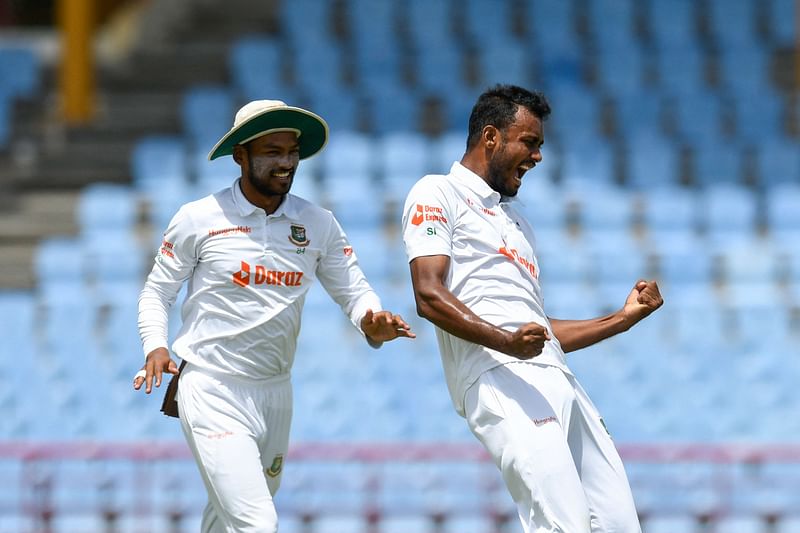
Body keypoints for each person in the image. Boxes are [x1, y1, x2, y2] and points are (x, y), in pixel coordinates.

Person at [133, 99, 415, 532]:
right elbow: (157, 291)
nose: (286, 163)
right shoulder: (198, 218)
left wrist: (371, 320)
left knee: (227, 517)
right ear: (240, 155)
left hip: (276, 394)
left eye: (291, 152)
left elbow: (355, 291)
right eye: (271, 152)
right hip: (212, 388)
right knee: (257, 523)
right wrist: (155, 344)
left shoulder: (317, 223)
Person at [401, 85, 663, 533]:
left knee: (620, 524)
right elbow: (428, 295)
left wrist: (621, 319)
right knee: (564, 524)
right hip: (497, 375)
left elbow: (538, 331)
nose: (538, 157)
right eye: (530, 142)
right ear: (490, 137)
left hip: (556, 377)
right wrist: (506, 342)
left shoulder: (517, 221)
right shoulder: (436, 192)